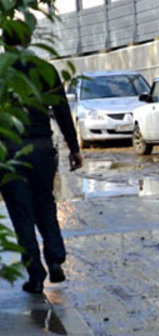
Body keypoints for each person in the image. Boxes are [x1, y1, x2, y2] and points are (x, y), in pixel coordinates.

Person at [1, 22, 83, 294]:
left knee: (21, 212)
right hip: (42, 148)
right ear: (30, 38)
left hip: (10, 152)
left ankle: (35, 275)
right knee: (45, 201)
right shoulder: (45, 69)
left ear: (4, 40)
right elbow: (61, 111)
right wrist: (74, 148)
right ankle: (56, 257)